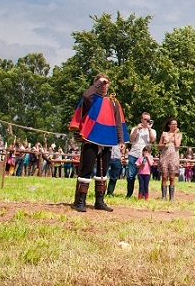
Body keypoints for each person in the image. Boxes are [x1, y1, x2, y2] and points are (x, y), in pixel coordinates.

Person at [67, 73, 128, 212]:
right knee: (86, 169)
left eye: (106, 82)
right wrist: (98, 83)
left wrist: (121, 140)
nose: (104, 85)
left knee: (103, 171)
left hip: (107, 139)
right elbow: (85, 96)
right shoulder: (91, 99)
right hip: (91, 137)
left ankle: (99, 201)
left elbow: (118, 122)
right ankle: (80, 201)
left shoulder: (113, 102)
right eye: (101, 83)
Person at [125, 112, 156, 198]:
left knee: (143, 177)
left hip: (144, 157)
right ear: (141, 119)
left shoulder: (152, 130)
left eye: (148, 120)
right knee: (130, 176)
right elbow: (131, 139)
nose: (147, 121)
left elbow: (152, 140)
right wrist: (136, 129)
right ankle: (129, 194)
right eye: (145, 119)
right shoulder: (135, 128)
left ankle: (142, 195)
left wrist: (149, 129)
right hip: (134, 154)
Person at [158, 118, 182, 201]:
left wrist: (175, 134)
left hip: (174, 156)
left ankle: (171, 197)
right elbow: (159, 145)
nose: (175, 125)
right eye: (173, 124)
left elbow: (177, 145)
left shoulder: (179, 135)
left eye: (176, 124)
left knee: (172, 177)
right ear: (169, 125)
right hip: (165, 156)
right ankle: (163, 196)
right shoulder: (164, 134)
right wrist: (164, 144)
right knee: (164, 176)